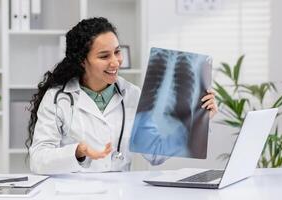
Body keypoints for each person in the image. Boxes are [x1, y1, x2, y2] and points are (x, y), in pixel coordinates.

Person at [26, 17, 217, 174]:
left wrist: (199, 119)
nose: (115, 62)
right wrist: (77, 152)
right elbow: (38, 160)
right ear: (83, 61)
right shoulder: (57, 99)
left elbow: (155, 156)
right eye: (104, 56)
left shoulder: (132, 95)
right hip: (74, 192)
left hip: (120, 191)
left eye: (117, 52)